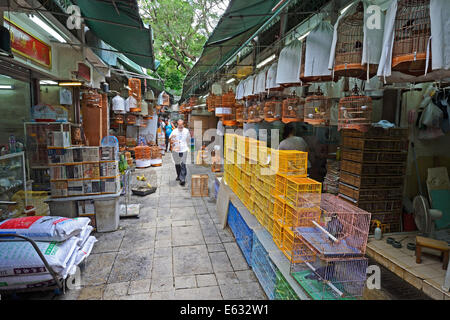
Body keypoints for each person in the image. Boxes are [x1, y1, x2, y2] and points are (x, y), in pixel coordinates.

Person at [169, 119, 191, 186]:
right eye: (179, 125)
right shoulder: (174, 131)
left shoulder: (186, 131)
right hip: (176, 150)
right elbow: (170, 139)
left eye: (181, 125)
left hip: (184, 149)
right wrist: (172, 141)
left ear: (183, 125)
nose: (180, 126)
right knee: (177, 164)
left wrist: (187, 145)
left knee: (183, 163)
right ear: (177, 125)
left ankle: (182, 179)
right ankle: (179, 175)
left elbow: (188, 139)